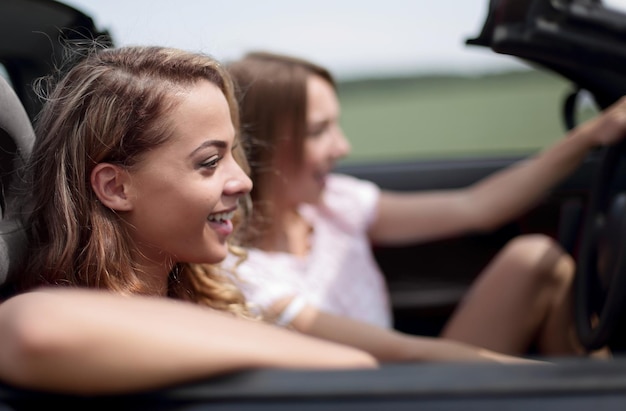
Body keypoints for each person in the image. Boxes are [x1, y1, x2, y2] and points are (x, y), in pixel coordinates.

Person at [0, 45, 532, 396]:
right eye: (209, 163)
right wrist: (345, 366)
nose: (243, 181)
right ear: (116, 187)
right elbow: (28, 330)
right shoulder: (57, 308)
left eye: (235, 154)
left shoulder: (211, 285)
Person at [224, 51, 626, 358]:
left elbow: (476, 206)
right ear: (261, 144)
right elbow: (403, 355)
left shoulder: (335, 205)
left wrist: (589, 136)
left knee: (536, 259)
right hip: (385, 392)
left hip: (411, 369)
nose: (343, 146)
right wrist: (561, 380)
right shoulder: (243, 272)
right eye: (319, 131)